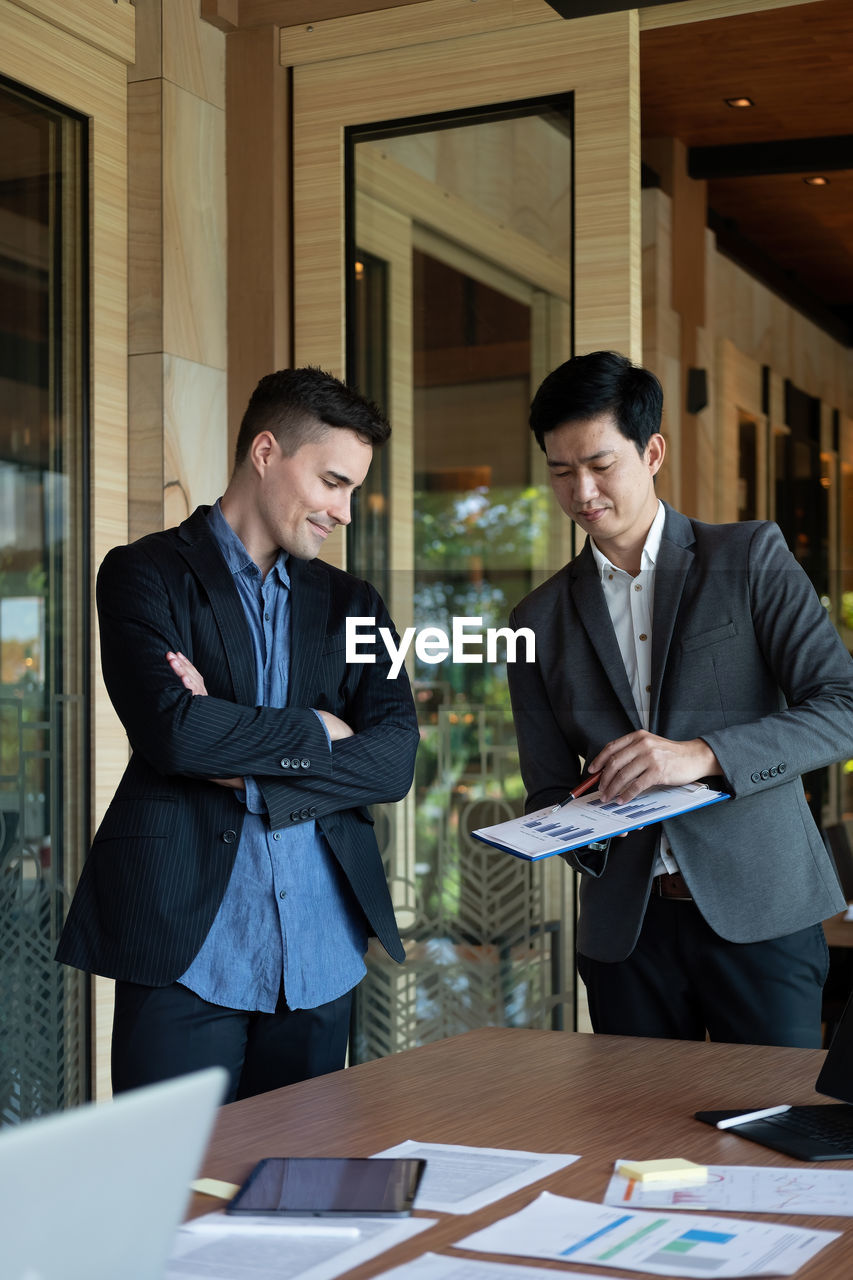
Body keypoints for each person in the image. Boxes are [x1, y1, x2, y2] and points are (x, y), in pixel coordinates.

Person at [57, 367, 419, 1099]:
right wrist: (322, 728)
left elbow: (392, 761)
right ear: (264, 452)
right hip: (185, 946)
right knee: (171, 1193)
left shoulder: (354, 603)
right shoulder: (142, 574)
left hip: (322, 954)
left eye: (352, 489)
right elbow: (176, 736)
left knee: (298, 1193)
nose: (345, 511)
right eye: (331, 482)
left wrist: (232, 746)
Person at [506, 350, 853, 1047]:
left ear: (652, 451)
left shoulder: (748, 558)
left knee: (770, 1140)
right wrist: (565, 824)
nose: (581, 491)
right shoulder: (534, 620)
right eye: (560, 471)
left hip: (760, 914)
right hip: (625, 938)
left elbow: (840, 704)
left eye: (600, 465)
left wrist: (697, 755)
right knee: (633, 1147)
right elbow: (546, 784)